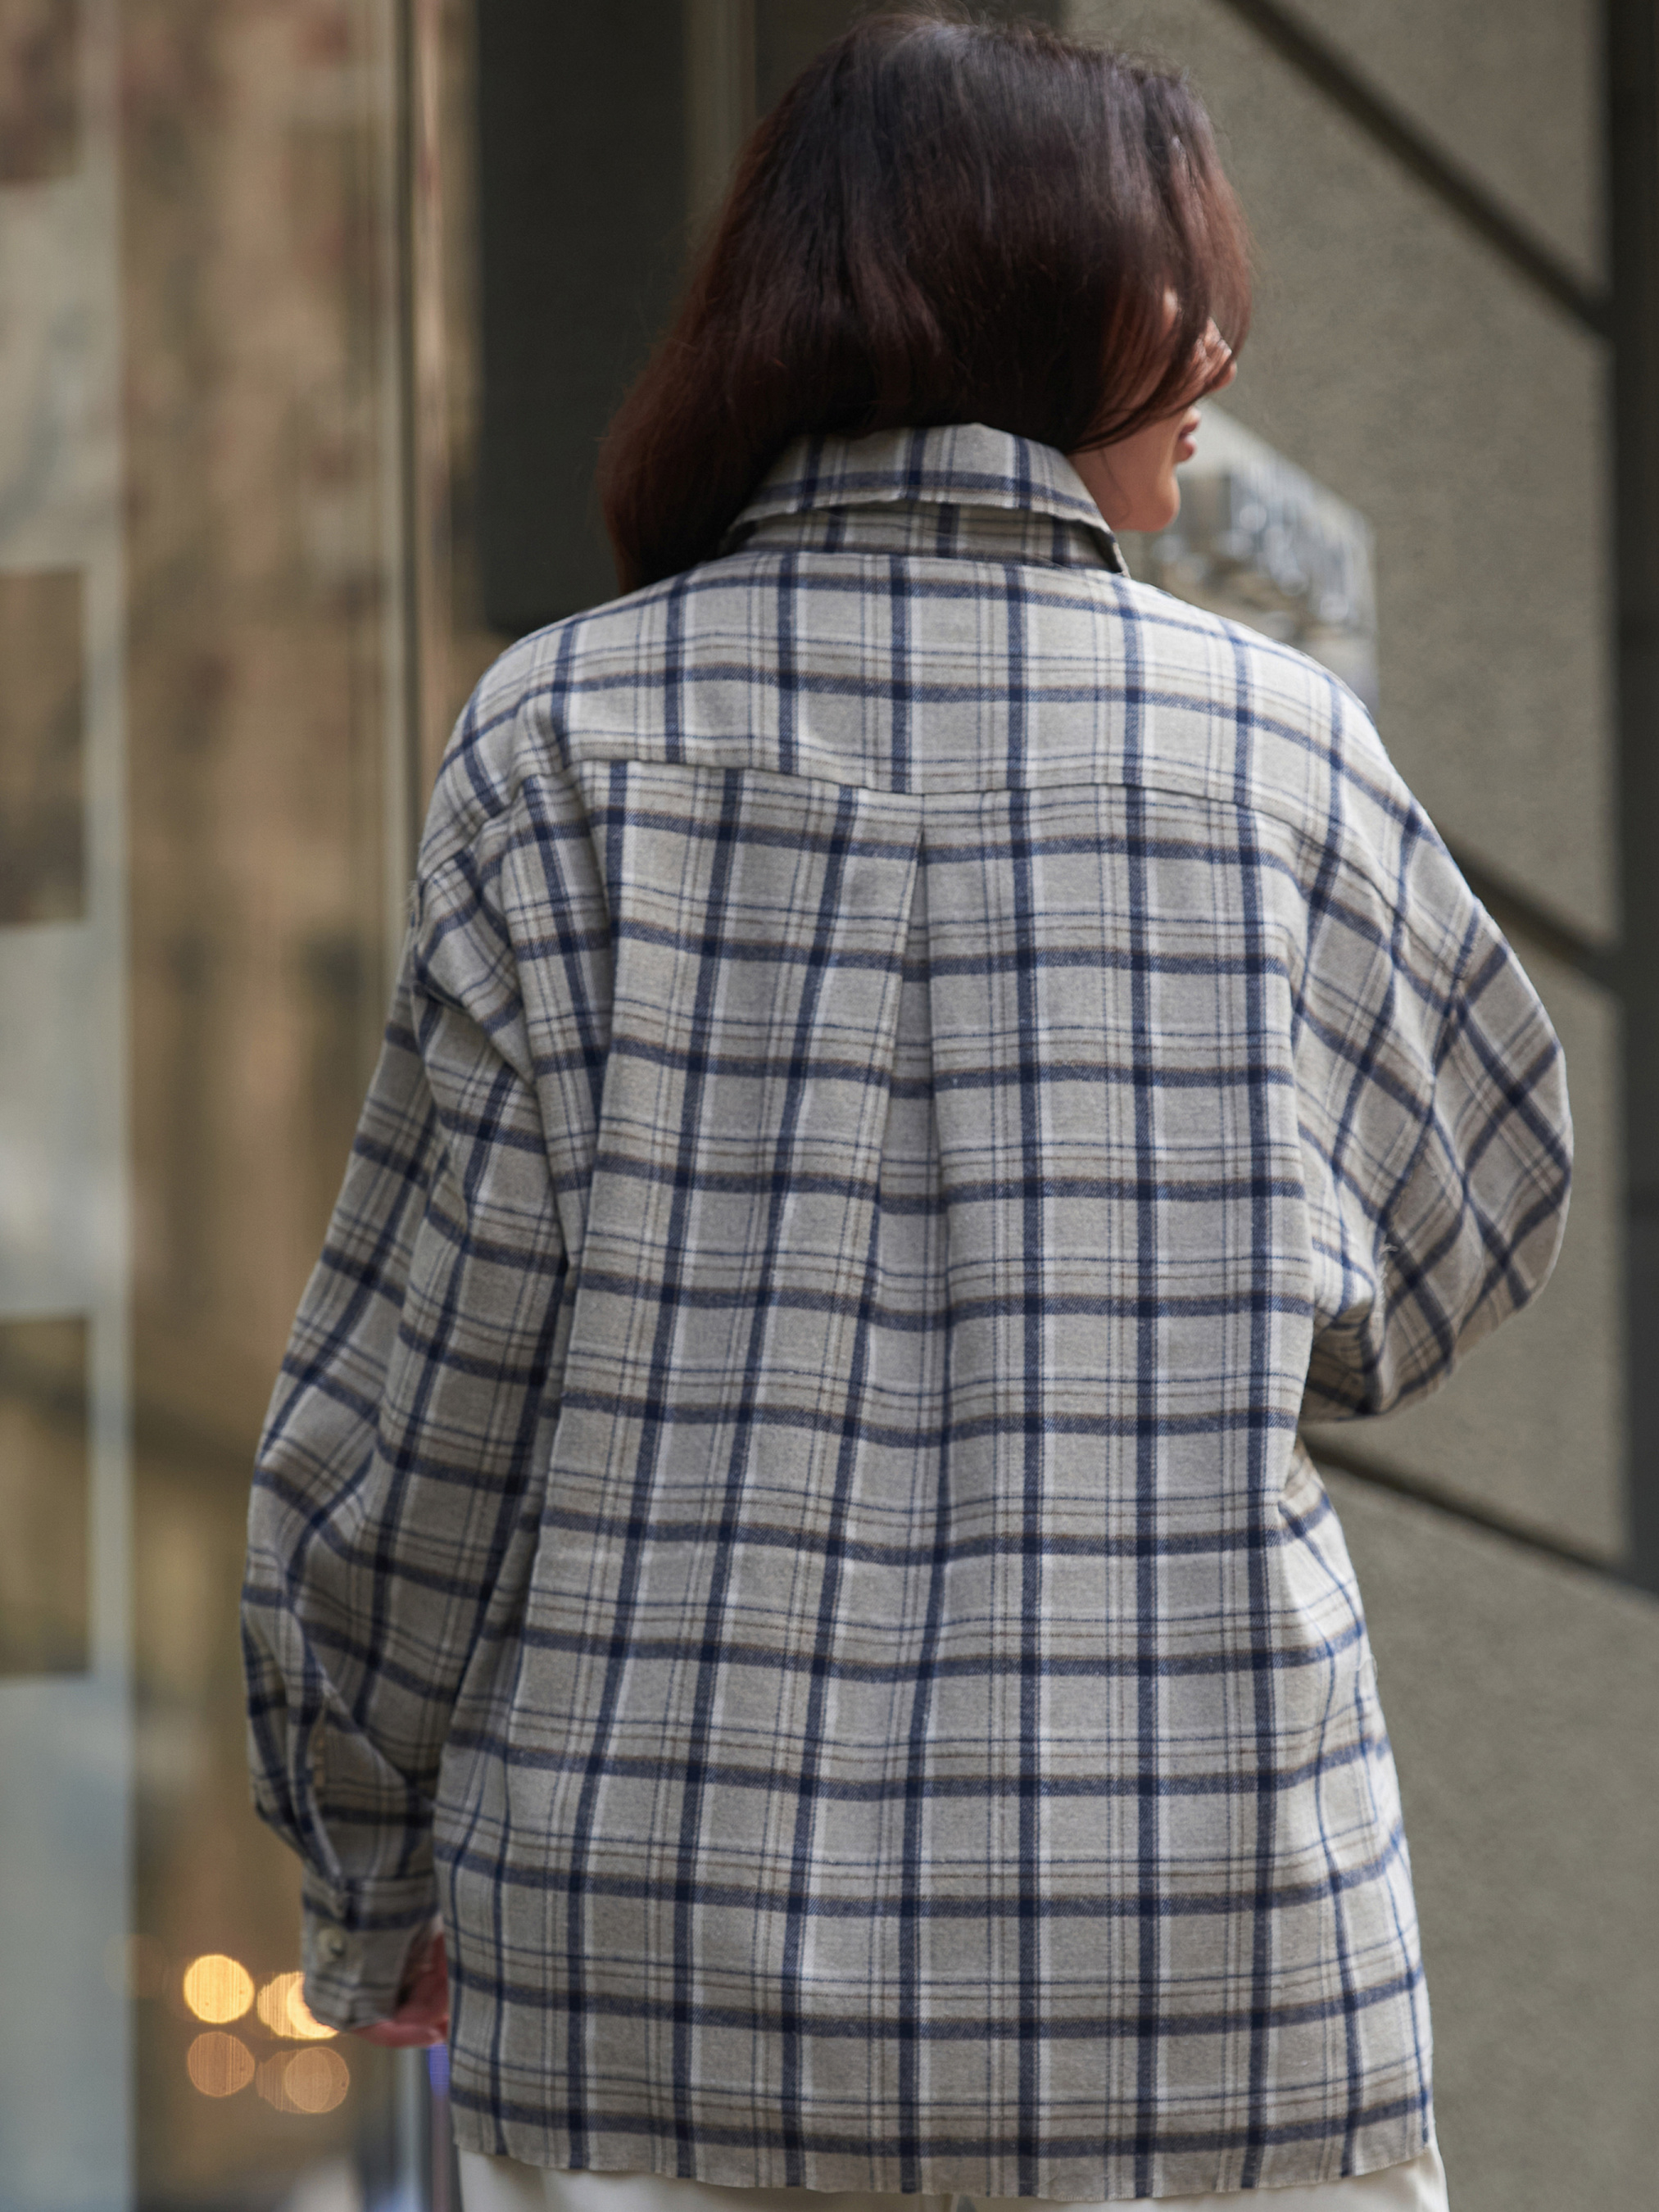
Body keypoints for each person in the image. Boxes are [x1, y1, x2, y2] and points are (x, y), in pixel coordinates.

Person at [242, 11, 1571, 2211]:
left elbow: (416, 1421)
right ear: (1043, 302)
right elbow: (1446, 1261)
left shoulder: (557, 740)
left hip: (660, 2006)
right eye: (1179, 287)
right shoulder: (1280, 753)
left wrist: (367, 1865)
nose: (1218, 350)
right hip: (1215, 2004)